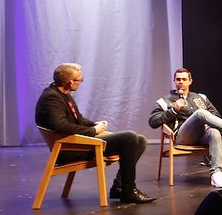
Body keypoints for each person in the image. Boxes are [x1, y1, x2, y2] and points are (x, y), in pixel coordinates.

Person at [35, 62, 155, 204]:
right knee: (129, 137)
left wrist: (94, 124)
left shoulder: (62, 93)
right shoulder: (51, 98)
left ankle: (119, 187)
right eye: (80, 80)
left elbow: (77, 119)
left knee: (139, 139)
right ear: (70, 82)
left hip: (77, 143)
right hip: (71, 149)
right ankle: (128, 191)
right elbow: (62, 126)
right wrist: (93, 131)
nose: (81, 83)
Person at [148, 68, 222, 188]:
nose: (181, 82)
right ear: (174, 81)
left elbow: (216, 116)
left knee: (214, 132)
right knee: (201, 113)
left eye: (184, 79)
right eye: (178, 79)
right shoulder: (165, 100)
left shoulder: (201, 97)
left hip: (202, 136)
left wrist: (207, 124)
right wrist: (173, 110)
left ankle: (216, 174)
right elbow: (153, 121)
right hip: (182, 136)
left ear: (190, 81)